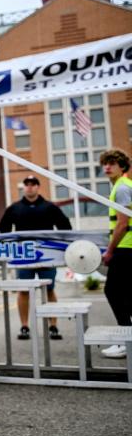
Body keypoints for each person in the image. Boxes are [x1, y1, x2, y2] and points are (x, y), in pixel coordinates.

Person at [0, 175, 72, 341]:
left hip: (47, 257)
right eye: (27, 184)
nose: (30, 187)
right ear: (23, 187)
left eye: (33, 184)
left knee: (49, 289)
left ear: (38, 187)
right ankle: (25, 326)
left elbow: (65, 228)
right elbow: (3, 229)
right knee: (23, 291)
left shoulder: (49, 207)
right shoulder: (14, 208)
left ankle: (53, 326)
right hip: (24, 258)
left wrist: (58, 246)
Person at [100, 149, 132, 359]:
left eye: (112, 163)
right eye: (105, 163)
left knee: (113, 291)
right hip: (128, 248)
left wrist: (110, 250)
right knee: (125, 293)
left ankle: (126, 339)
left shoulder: (121, 188)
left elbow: (122, 223)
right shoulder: (123, 187)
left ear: (122, 167)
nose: (107, 167)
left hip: (126, 249)